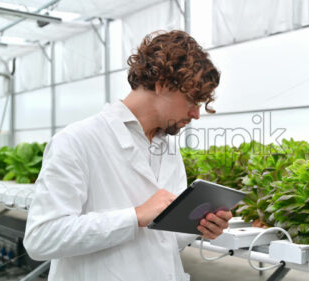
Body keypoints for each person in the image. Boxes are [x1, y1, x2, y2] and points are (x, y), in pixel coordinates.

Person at [23, 30, 231, 281]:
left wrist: (199, 226)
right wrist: (134, 216)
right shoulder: (76, 141)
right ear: (162, 83)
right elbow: (41, 238)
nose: (196, 114)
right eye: (193, 100)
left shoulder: (168, 149)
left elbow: (165, 241)